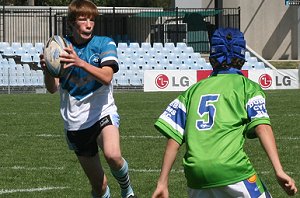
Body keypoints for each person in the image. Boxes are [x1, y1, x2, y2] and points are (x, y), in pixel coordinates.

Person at [152, 28, 297, 198]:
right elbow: (262, 127)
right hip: (232, 170)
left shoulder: (192, 91)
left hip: (196, 176)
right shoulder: (247, 88)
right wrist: (278, 170)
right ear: (242, 54)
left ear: (213, 55)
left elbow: (174, 138)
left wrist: (162, 181)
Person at [40, 0, 136, 197]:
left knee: (113, 155)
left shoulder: (104, 43)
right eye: (83, 19)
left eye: (92, 19)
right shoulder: (61, 49)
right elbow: (52, 89)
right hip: (75, 123)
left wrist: (80, 62)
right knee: (99, 188)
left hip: (102, 112)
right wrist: (48, 70)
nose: (88, 24)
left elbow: (107, 77)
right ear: (71, 23)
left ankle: (126, 189)